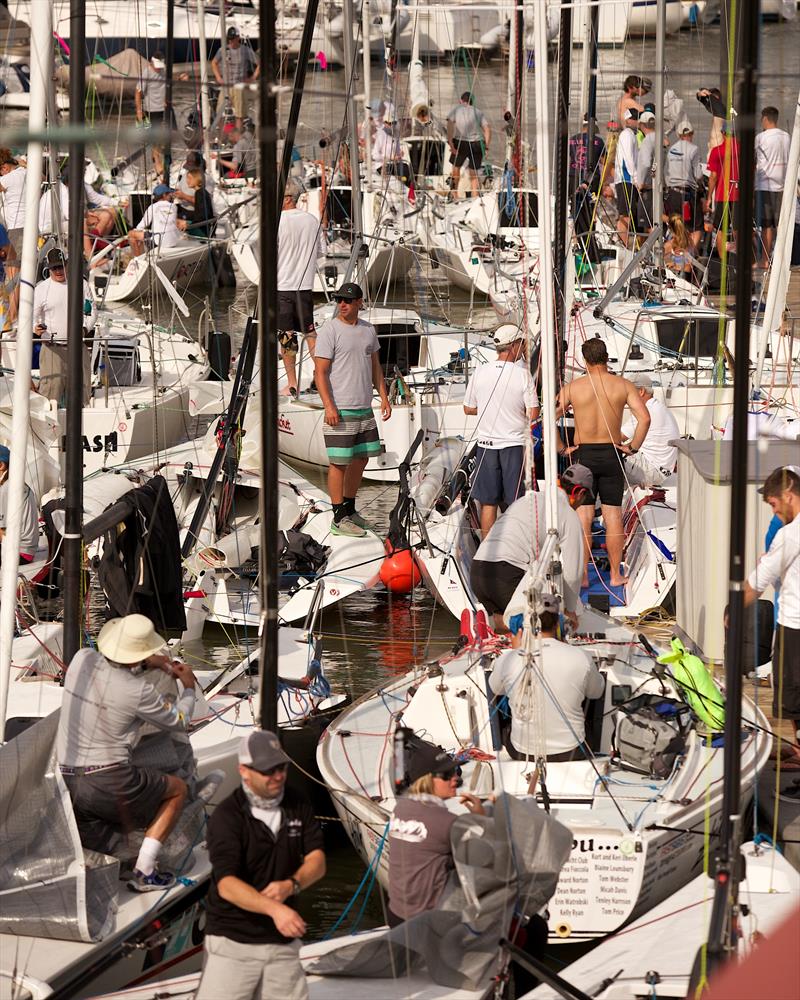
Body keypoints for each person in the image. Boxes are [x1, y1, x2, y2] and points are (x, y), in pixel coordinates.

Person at [56, 614, 198, 891]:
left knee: (97, 830)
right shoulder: (137, 690)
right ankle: (146, 872)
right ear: (138, 656)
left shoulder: (81, 659)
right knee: (177, 790)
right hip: (108, 780)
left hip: (66, 777)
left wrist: (147, 661)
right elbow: (180, 721)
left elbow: (116, 664)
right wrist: (189, 686)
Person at [195, 730, 325, 1000]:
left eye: (281, 767)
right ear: (244, 770)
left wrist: (292, 885)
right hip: (233, 943)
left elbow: (317, 860)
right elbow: (227, 885)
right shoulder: (227, 817)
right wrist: (276, 909)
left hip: (281, 942)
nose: (278, 775)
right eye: (268, 770)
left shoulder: (297, 803)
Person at [555, 338, 651, 588]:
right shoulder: (623, 385)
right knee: (612, 516)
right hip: (611, 455)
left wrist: (562, 448)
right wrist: (632, 447)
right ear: (607, 358)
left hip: (584, 455)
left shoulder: (573, 388)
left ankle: (584, 576)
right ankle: (616, 575)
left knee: (584, 517)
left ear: (584, 361)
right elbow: (645, 419)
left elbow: (549, 417)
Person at [470, 463, 592, 633]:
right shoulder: (566, 513)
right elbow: (573, 573)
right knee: (544, 627)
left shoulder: (528, 499)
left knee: (506, 624)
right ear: (580, 493)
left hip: (478, 570)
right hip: (507, 572)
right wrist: (570, 611)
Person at [314, 282, 392, 537]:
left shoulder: (368, 330)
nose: (342, 304)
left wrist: (384, 397)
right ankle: (338, 517)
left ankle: (349, 508)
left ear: (359, 302)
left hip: (363, 407)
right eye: (338, 300)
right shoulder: (330, 330)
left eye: (347, 300)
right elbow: (320, 372)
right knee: (339, 463)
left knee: (362, 458)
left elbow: (375, 367)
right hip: (341, 408)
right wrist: (329, 406)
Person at [489, 594, 605, 761]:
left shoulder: (509, 659)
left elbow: (495, 689)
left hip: (523, 752)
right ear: (558, 623)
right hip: (573, 750)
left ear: (528, 623)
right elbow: (596, 693)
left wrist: (515, 651)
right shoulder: (581, 657)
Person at [387, 741, 485, 925]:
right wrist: (481, 819)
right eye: (447, 775)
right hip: (426, 924)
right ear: (428, 780)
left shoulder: (400, 809)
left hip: (396, 916)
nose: (455, 778)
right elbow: (484, 858)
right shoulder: (446, 822)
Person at [462, 323, 540, 535]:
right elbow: (533, 413)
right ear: (514, 345)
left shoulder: (480, 371)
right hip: (513, 446)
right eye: (522, 344)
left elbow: (468, 408)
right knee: (516, 504)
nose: (523, 349)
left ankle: (487, 551)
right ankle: (515, 546)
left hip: (486, 446)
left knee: (489, 503)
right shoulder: (522, 375)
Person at [743, 467, 800, 747]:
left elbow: (759, 580)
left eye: (774, 505)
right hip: (790, 618)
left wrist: (733, 611)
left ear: (788, 496)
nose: (774, 513)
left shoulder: (790, 533)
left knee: (793, 698)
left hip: (794, 625)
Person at [277, 179, 325, 396]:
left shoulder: (276, 222)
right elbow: (321, 252)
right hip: (305, 286)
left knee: (287, 335)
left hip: (282, 286)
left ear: (287, 198)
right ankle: (322, 376)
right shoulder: (312, 220)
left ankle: (292, 383)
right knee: (310, 332)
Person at [33, 248, 96, 405]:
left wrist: (84, 328)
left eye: (61, 266)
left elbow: (91, 311)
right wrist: (36, 328)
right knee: (49, 398)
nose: (58, 271)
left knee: (82, 395)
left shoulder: (81, 284)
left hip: (77, 348)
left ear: (67, 264)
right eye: (54, 268)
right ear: (49, 268)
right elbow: (30, 318)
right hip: (52, 348)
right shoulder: (41, 289)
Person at [619, 373, 679, 486]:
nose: (625, 398)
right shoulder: (658, 407)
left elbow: (617, 437)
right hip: (661, 471)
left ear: (641, 391)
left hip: (651, 471)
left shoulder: (646, 411)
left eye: (628, 393)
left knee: (604, 456)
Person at [754, 106, 791, 268]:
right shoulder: (787, 137)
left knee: (766, 225)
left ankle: (765, 259)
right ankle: (782, 258)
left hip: (765, 185)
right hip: (782, 186)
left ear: (765, 119)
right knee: (780, 224)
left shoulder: (760, 137)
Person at [664, 121, 704, 251]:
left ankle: (668, 255)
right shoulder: (694, 149)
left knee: (677, 230)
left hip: (672, 194)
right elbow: (698, 174)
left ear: (678, 134)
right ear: (691, 134)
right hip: (687, 194)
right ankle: (688, 259)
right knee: (696, 228)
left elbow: (666, 172)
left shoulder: (671, 150)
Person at [212, 26, 260, 129]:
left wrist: (252, 78)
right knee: (219, 112)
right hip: (226, 85)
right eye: (230, 39)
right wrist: (218, 77)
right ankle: (222, 137)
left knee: (239, 114)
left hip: (239, 86)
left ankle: (238, 136)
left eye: (233, 38)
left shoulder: (245, 50)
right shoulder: (223, 50)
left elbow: (259, 63)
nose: (231, 41)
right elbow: (214, 63)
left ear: (238, 38)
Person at [446, 92, 491, 199]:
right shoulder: (479, 112)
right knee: (473, 172)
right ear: (472, 101)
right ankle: (475, 196)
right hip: (477, 144)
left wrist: (451, 142)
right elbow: (487, 129)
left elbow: (449, 125)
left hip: (461, 143)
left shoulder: (456, 110)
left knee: (456, 168)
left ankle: (454, 194)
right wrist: (486, 146)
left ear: (461, 101)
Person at [0, 444, 39, 565]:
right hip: (27, 550)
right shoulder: (16, 483)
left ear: (1, 465)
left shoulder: (6, 489)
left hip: (17, 552)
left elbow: (2, 531)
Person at [706, 121, 740, 257]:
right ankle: (745, 257)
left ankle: (722, 259)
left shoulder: (717, 151)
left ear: (723, 133)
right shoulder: (743, 149)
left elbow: (713, 177)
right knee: (738, 227)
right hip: (739, 194)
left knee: (720, 228)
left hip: (722, 194)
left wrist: (709, 197)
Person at [128, 184, 182, 256]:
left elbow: (141, 225)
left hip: (159, 242)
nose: (170, 195)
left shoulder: (153, 207)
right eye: (169, 194)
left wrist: (137, 231)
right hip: (174, 241)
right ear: (164, 195)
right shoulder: (174, 206)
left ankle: (138, 258)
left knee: (131, 234)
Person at [614, 108, 640, 248]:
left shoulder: (630, 134)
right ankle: (622, 245)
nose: (637, 121)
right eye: (635, 119)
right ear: (628, 120)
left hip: (626, 178)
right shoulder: (627, 134)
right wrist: (635, 177)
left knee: (627, 213)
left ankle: (622, 243)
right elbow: (628, 158)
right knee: (626, 214)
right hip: (626, 179)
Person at [634, 110, 657, 233]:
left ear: (642, 125)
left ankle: (652, 250)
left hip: (648, 187)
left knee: (647, 223)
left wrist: (641, 182)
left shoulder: (647, 141)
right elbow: (657, 163)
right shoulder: (660, 139)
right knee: (655, 219)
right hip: (658, 186)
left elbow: (647, 163)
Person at [176, 168, 216, 238]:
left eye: (190, 178)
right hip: (206, 227)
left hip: (203, 231)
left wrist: (187, 224)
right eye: (187, 178)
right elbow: (201, 213)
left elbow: (203, 216)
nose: (187, 181)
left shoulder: (199, 193)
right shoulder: (202, 192)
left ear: (197, 179)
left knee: (175, 223)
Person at [371, 114, 410, 183]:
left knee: (406, 167)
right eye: (389, 123)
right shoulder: (381, 134)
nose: (391, 125)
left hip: (394, 164)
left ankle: (409, 187)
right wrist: (390, 158)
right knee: (402, 170)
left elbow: (397, 151)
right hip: (382, 165)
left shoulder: (396, 134)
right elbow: (375, 155)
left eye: (393, 123)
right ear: (385, 123)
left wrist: (400, 153)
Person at [0, 157, 26, 256]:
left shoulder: (7, 178)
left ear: (5, 168)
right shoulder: (27, 172)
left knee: (17, 263)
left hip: (17, 226)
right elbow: (43, 178)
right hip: (33, 224)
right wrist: (25, 165)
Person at [663, 213, 696, 279]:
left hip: (679, 279)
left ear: (670, 228)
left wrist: (675, 266)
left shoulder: (670, 244)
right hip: (688, 278)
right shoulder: (690, 240)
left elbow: (687, 269)